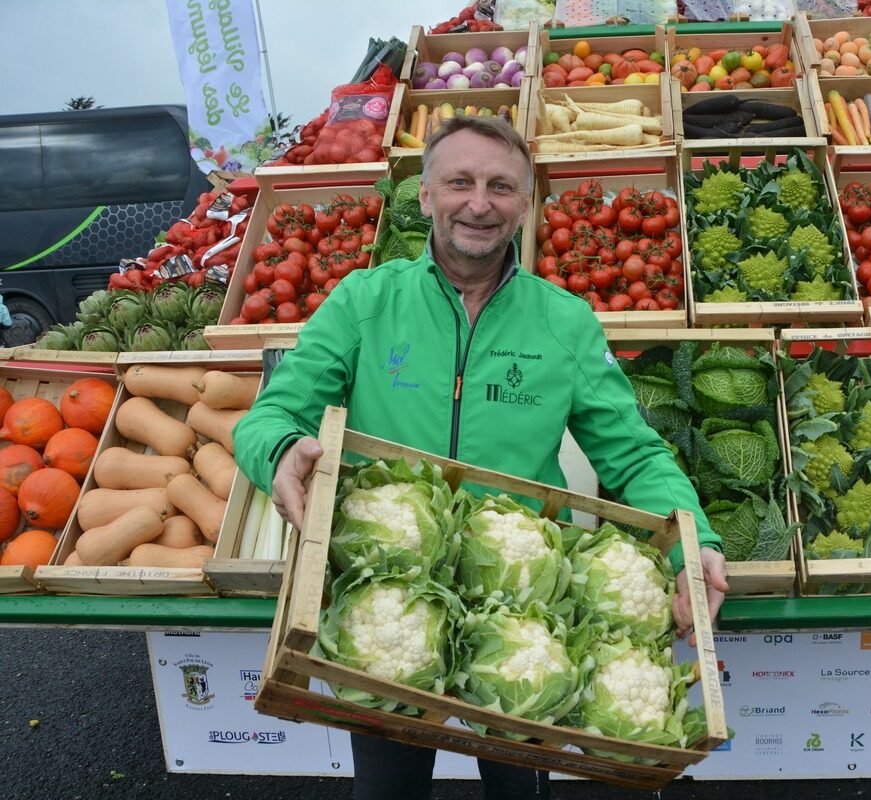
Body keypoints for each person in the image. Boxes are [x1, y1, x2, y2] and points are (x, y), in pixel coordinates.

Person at [232, 115, 728, 800]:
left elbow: (636, 455)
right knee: (386, 792)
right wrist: (282, 452)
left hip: (521, 599)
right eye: (459, 182)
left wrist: (691, 542)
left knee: (520, 790)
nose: (479, 202)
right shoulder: (365, 301)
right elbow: (272, 416)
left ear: (525, 204)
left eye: (501, 186)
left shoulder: (565, 322)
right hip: (390, 590)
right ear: (427, 195)